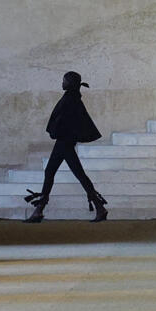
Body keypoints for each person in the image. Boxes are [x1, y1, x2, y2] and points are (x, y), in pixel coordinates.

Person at [24, 71, 108, 223]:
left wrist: (58, 132)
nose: (62, 83)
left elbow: (65, 121)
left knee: (63, 173)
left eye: (64, 81)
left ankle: (39, 211)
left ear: (70, 83)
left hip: (64, 142)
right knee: (62, 172)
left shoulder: (71, 99)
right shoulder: (72, 97)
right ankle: (39, 211)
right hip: (64, 141)